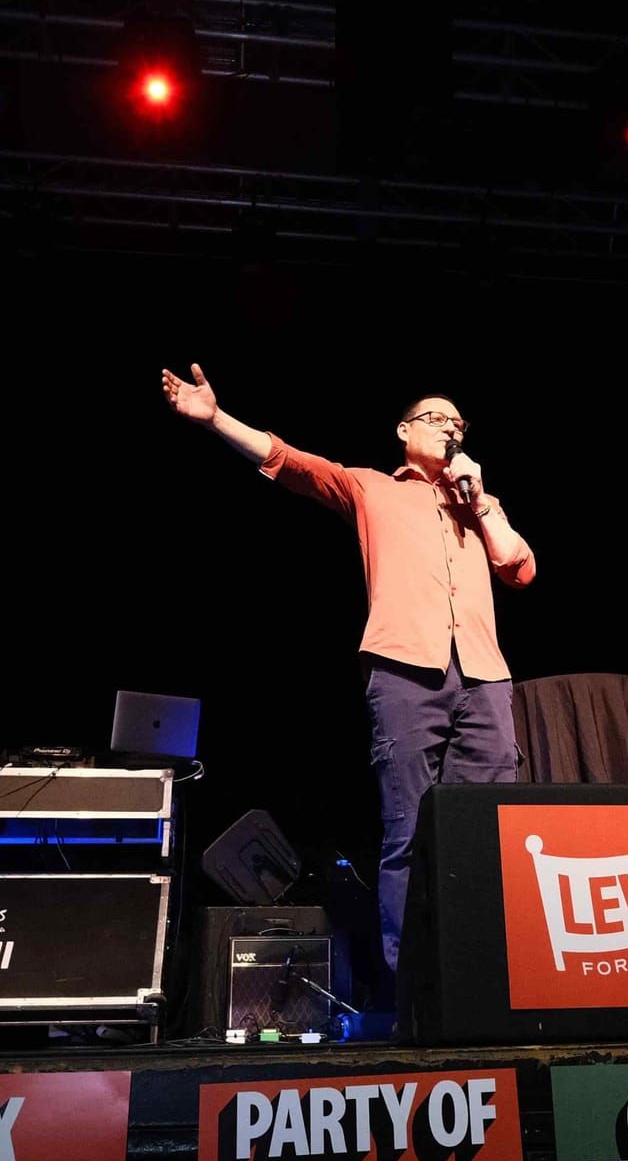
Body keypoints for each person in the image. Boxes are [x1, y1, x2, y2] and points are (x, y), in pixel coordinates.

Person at [161, 363, 537, 982]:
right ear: (403, 430)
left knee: (487, 830)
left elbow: (518, 570)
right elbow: (291, 462)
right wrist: (216, 418)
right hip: (405, 672)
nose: (449, 429)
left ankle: (491, 976)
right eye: (436, 418)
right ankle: (415, 984)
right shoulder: (371, 488)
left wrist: (483, 500)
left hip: (484, 677)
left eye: (458, 422)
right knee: (410, 832)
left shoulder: (477, 501)